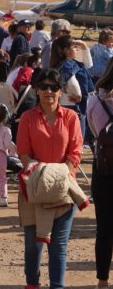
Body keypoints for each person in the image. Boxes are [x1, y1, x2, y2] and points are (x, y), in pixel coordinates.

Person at [17, 68, 83, 289]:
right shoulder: (26, 117)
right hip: (33, 189)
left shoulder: (72, 117)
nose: (49, 91)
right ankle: (32, 285)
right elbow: (23, 153)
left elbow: (75, 152)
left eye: (54, 87)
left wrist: (59, 176)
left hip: (64, 189)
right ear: (36, 89)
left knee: (59, 246)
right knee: (33, 246)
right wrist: (43, 175)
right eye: (43, 86)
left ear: (61, 90)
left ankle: (57, 286)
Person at [86, 58, 113, 288]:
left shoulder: (94, 101)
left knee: (103, 227)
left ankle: (102, 280)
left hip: (102, 167)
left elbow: (94, 133)